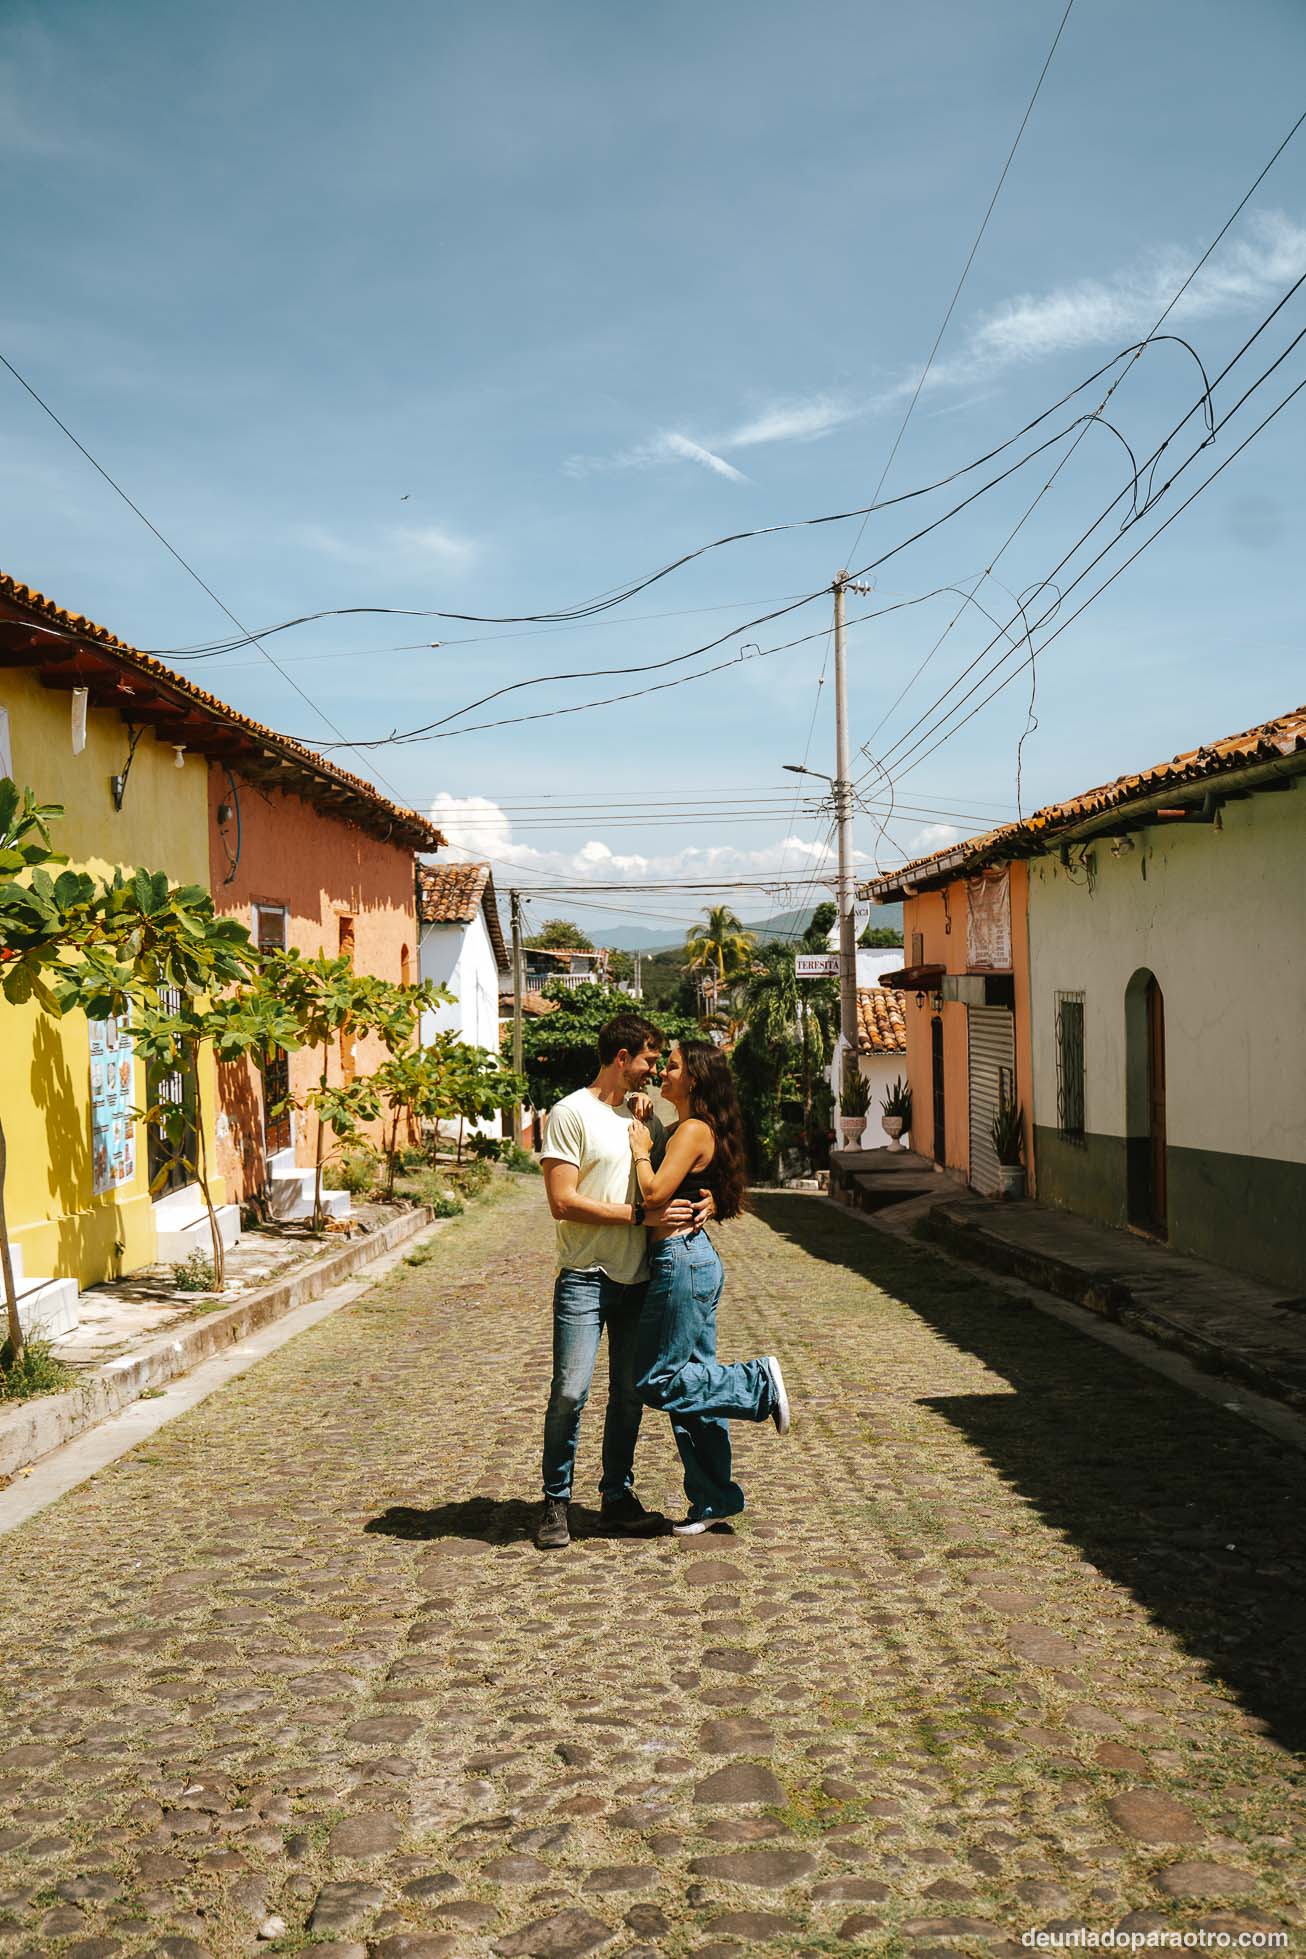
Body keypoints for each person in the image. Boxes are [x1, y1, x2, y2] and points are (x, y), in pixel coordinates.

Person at [536, 1012, 709, 1551]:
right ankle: (555, 1501)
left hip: (639, 1279)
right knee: (570, 1391)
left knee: (629, 1395)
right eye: (649, 1061)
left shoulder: (648, 1120)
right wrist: (639, 1219)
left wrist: (712, 1200)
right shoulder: (570, 1113)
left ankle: (616, 1497)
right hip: (584, 1277)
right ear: (621, 1057)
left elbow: (672, 1180)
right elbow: (562, 1202)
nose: (654, 1073)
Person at [628, 1039, 790, 1535]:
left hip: (682, 1261)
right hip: (685, 1260)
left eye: (671, 1067)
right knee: (694, 1391)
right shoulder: (685, 1128)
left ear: (694, 1078)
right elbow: (701, 1186)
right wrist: (649, 1123)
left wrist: (639, 1151)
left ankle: (758, 1384)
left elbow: (654, 1191)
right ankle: (712, 1499)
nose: (663, 1073)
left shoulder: (693, 1130)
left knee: (656, 1380)